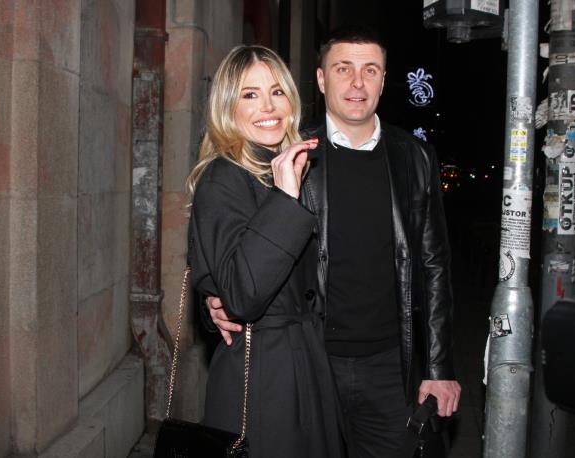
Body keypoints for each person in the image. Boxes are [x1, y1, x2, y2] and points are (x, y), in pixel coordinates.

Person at [207, 27, 461, 457]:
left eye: (370, 70)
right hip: (310, 359)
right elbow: (243, 246)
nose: (357, 83)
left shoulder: (414, 157)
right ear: (322, 79)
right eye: (344, 69)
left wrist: (439, 366)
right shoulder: (286, 153)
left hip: (388, 364)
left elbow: (434, 264)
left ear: (384, 80)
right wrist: (214, 296)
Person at [187, 45, 344, 458]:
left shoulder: (293, 165)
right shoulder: (222, 178)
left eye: (277, 92)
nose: (269, 107)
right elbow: (243, 293)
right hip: (262, 378)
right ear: (228, 107)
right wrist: (285, 198)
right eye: (250, 94)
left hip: (305, 362)